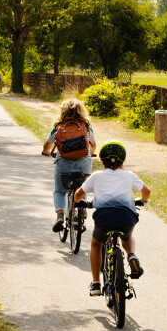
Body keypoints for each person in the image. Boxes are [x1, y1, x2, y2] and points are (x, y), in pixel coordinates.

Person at [74, 141, 149, 295]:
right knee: (127, 237)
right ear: (123, 160)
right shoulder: (129, 175)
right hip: (126, 216)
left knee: (96, 244)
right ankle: (131, 256)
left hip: (104, 218)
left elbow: (78, 194)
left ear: (101, 160)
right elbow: (146, 190)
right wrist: (143, 201)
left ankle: (95, 283)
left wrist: (79, 203)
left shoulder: (96, 176)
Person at [41, 97, 97, 232]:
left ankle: (60, 215)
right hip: (84, 163)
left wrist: (46, 152)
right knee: (81, 187)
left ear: (63, 112)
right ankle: (81, 209)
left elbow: (48, 145)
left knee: (60, 191)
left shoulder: (58, 127)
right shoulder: (86, 126)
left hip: (63, 164)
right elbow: (93, 146)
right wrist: (90, 153)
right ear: (81, 111)